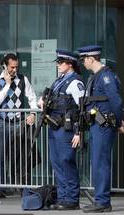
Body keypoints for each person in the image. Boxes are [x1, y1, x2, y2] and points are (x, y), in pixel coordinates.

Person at [77, 45, 124, 213]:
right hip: (96, 123)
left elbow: (116, 102)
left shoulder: (106, 76)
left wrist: (119, 123)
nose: (83, 63)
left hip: (104, 124)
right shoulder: (94, 77)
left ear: (92, 58)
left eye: (84, 59)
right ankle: (100, 199)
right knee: (97, 162)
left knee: (101, 163)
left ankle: (103, 201)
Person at [40, 49, 85, 210]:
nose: (58, 65)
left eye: (61, 62)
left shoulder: (75, 82)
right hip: (54, 126)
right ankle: (63, 197)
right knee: (57, 163)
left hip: (66, 129)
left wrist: (79, 132)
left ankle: (72, 199)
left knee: (67, 162)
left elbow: (82, 109)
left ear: (70, 64)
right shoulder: (60, 80)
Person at [0, 53, 38, 198]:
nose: (14, 70)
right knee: (0, 158)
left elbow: (32, 97)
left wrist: (33, 113)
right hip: (2, 123)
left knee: (21, 157)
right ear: (4, 65)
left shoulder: (23, 79)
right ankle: (0, 188)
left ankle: (23, 187)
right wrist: (8, 84)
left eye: (16, 67)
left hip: (19, 124)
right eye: (12, 67)